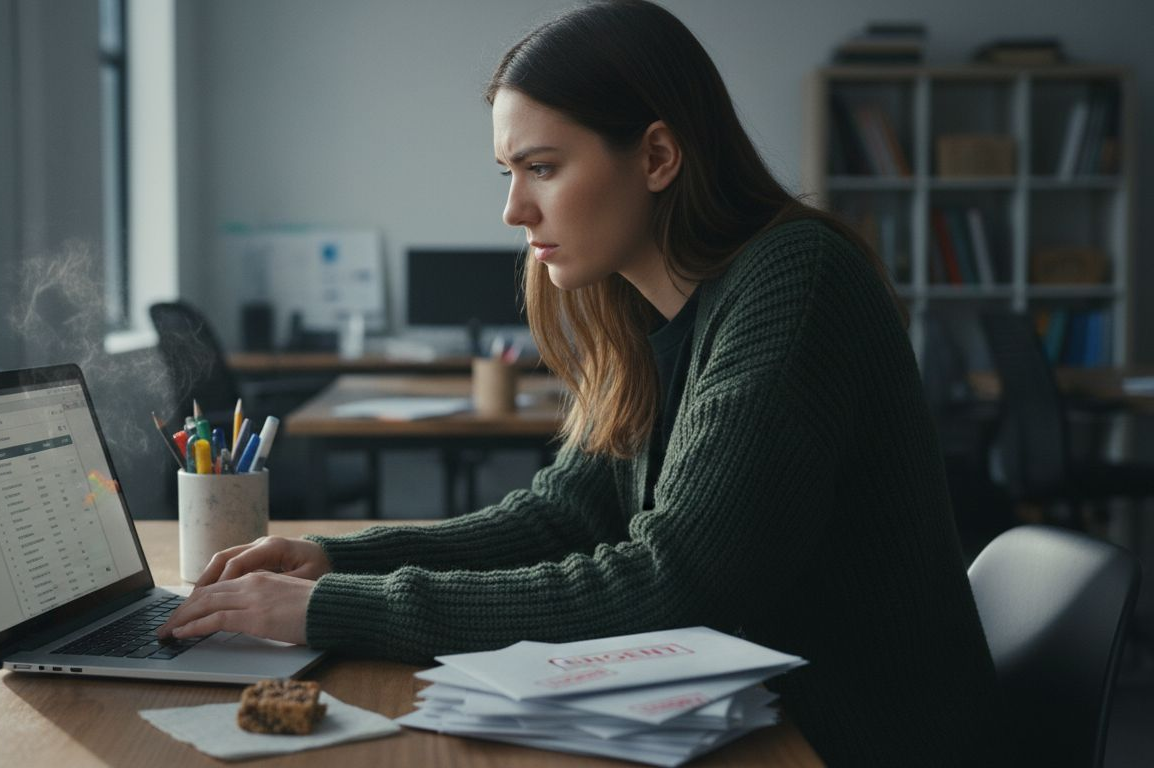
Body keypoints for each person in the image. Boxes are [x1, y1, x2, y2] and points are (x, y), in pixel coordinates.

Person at [159, 1, 1004, 763]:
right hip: (750, 718)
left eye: (543, 168)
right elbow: (564, 516)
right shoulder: (639, 307)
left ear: (659, 156)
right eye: (508, 173)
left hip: (853, 739)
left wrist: (333, 609)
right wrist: (332, 560)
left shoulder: (796, 280)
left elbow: (677, 582)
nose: (513, 210)